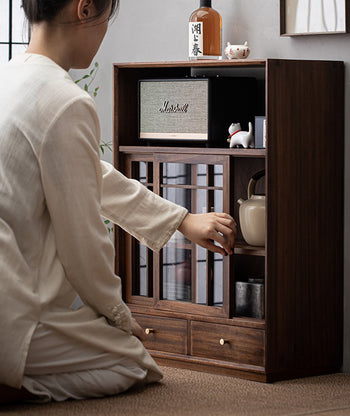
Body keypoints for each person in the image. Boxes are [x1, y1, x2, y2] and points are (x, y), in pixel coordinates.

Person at [0, 0, 236, 404]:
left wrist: (181, 219)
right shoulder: (65, 101)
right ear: (85, 10)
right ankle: (13, 382)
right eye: (109, 18)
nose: (106, 31)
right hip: (12, 306)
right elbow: (84, 246)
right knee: (134, 364)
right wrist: (121, 318)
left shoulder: (7, 78)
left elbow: (90, 175)